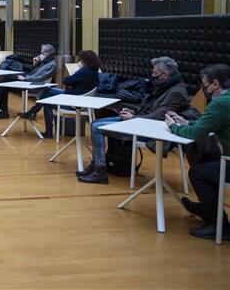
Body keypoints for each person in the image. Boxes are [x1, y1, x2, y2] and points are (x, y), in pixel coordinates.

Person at [81, 56, 192, 184]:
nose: (152, 75)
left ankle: (99, 170)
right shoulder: (165, 86)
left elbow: (158, 117)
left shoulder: (176, 92)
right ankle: (96, 165)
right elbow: (150, 109)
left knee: (97, 127)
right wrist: (134, 112)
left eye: (155, 73)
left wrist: (132, 118)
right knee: (95, 123)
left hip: (150, 130)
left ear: (165, 75)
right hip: (141, 121)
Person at [166, 64, 230, 241]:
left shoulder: (219, 104)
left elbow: (196, 134)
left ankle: (219, 225)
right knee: (208, 158)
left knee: (198, 173)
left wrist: (174, 127)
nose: (203, 88)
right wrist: (187, 123)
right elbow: (208, 125)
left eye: (204, 83)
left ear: (215, 84)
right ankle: (209, 207)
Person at [17, 50, 101, 138]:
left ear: (85, 61)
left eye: (81, 60)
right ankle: (33, 113)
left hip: (74, 102)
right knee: (47, 91)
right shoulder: (94, 72)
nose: (80, 62)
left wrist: (76, 73)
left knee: (47, 100)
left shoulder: (84, 71)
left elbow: (66, 81)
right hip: (82, 101)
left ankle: (38, 119)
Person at [0, 44, 57, 120]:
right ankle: (0, 109)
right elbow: (34, 73)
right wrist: (35, 64)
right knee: (4, 81)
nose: (40, 55)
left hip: (33, 84)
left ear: (48, 53)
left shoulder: (52, 65)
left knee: (4, 80)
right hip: (29, 80)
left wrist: (24, 78)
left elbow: (39, 78)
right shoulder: (45, 62)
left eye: (42, 53)